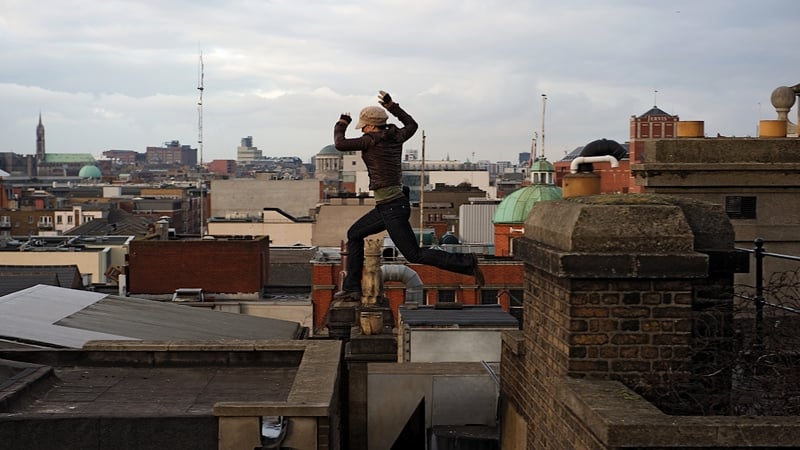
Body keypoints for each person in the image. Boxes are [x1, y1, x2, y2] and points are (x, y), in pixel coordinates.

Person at [332, 90, 484, 300]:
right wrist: (392, 106)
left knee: (414, 254)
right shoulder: (397, 136)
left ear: (371, 126)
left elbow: (340, 143)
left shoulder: (370, 140)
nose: (363, 129)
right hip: (391, 205)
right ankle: (352, 288)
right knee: (354, 234)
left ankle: (468, 262)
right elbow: (412, 124)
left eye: (364, 125)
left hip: (391, 207)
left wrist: (341, 123)